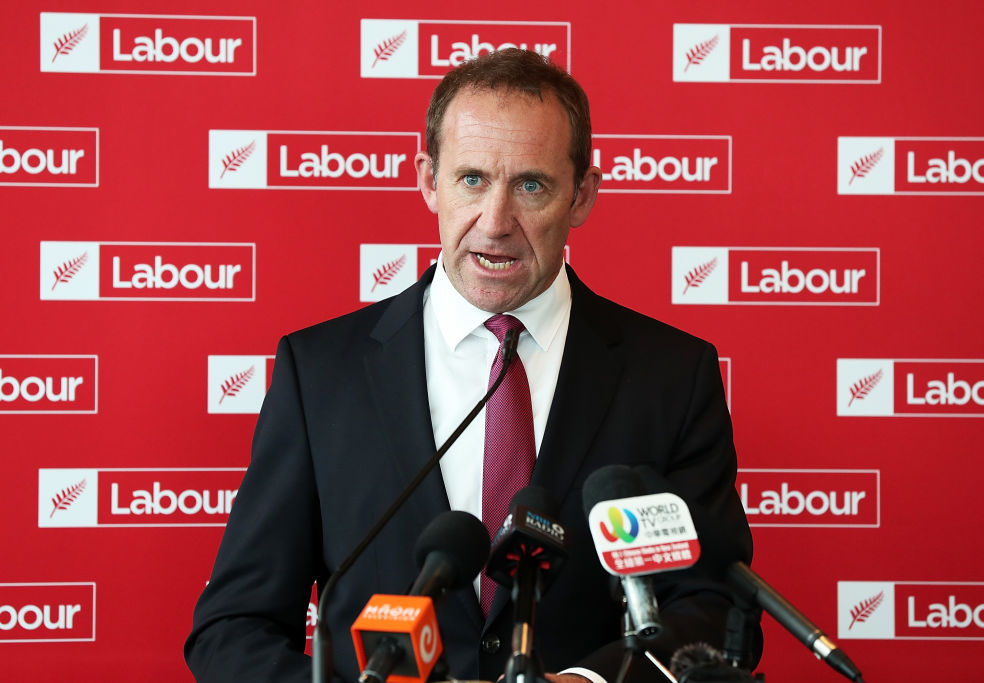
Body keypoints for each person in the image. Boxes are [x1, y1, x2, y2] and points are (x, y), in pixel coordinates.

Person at [185, 48, 757, 683]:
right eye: (473, 179)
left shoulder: (672, 376)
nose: (495, 222)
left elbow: (717, 608)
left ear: (583, 196)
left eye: (531, 186)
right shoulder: (321, 373)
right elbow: (234, 627)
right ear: (430, 180)